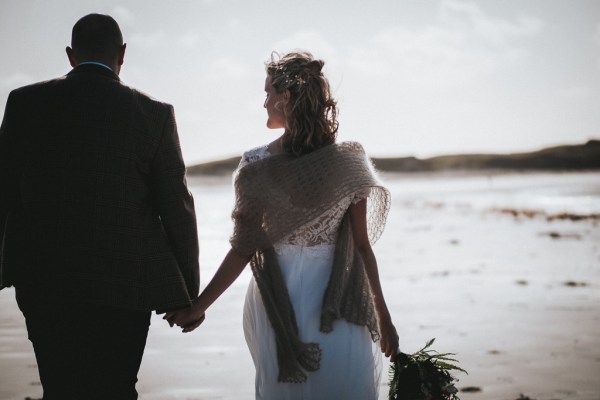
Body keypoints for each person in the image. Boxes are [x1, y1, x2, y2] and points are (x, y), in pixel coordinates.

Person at [166, 51, 398, 399]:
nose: (263, 103)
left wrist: (199, 306)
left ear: (285, 97)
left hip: (301, 300)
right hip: (329, 304)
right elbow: (362, 247)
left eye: (267, 93)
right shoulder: (346, 162)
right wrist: (383, 315)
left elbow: (242, 249)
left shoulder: (258, 163)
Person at [0, 14, 200, 400]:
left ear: (71, 55)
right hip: (126, 283)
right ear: (122, 54)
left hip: (43, 278)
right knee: (118, 388)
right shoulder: (153, 115)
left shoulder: (25, 102)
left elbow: (3, 190)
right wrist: (186, 294)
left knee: (58, 386)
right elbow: (176, 207)